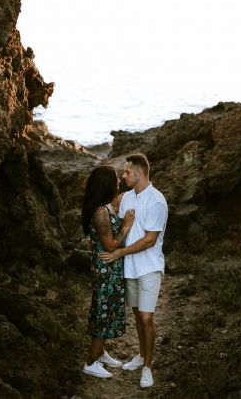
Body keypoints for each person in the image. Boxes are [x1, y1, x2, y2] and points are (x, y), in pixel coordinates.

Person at [99, 153, 168, 389]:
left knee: (147, 317)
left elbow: (150, 240)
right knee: (138, 315)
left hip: (149, 267)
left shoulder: (156, 201)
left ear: (139, 173)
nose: (124, 175)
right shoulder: (126, 198)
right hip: (130, 268)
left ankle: (148, 367)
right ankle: (140, 355)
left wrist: (119, 253)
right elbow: (120, 227)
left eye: (127, 171)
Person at [81, 165, 135, 379]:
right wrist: (126, 226)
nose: (118, 182)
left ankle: (100, 352)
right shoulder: (101, 212)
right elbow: (111, 245)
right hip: (106, 268)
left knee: (105, 307)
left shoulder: (105, 207)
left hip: (108, 267)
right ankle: (91, 361)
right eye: (115, 179)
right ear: (106, 184)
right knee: (104, 311)